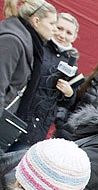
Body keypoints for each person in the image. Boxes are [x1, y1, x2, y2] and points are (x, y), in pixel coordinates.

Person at [13, 12, 80, 147]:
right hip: (16, 113)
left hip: (38, 127)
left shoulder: (72, 62)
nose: (62, 35)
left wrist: (69, 93)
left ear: (74, 37)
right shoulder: (37, 47)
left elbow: (67, 102)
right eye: (59, 28)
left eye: (68, 32)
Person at [0, 0, 57, 146]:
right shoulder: (13, 40)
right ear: (36, 21)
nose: (55, 30)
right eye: (52, 24)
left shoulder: (27, 41)